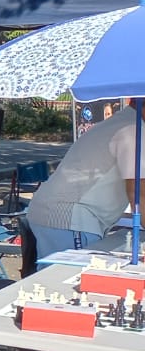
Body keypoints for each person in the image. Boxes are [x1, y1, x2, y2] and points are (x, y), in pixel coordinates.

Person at [26, 99, 140, 258]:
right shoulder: (134, 129)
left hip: (59, 214)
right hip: (70, 219)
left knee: (57, 278)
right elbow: (138, 193)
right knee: (67, 279)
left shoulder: (122, 122)